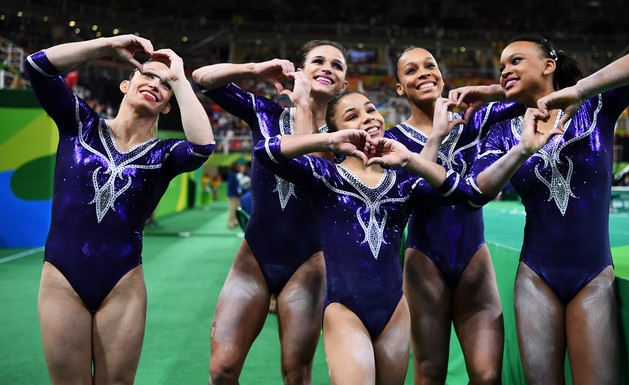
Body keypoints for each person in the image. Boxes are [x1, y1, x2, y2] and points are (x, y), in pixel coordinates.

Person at [454, 35, 629, 385]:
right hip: (535, 278)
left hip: (593, 275)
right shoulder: (503, 133)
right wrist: (522, 148)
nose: (505, 70)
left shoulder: (596, 106)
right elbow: (479, 190)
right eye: (502, 67)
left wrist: (581, 90)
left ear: (548, 65)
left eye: (516, 61)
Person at [253, 89, 489, 385]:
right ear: (337, 132)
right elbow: (265, 151)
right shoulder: (324, 175)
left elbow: (469, 194)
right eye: (352, 116)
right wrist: (325, 141)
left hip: (394, 312)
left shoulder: (403, 183)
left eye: (370, 109)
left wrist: (430, 143)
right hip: (344, 310)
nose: (368, 118)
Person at [25, 35, 215, 385]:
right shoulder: (80, 125)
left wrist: (180, 78)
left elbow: (203, 147)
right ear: (126, 84)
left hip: (122, 284)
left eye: (164, 84)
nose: (155, 84)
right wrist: (108, 45)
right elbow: (37, 66)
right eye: (147, 75)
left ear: (168, 105)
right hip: (62, 279)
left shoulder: (165, 156)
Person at [191, 40, 348, 384]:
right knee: (222, 369)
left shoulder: (343, 138)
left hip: (308, 264)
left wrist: (305, 104)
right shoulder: (265, 113)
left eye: (337, 66)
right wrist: (254, 69)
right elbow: (202, 79)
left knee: (295, 374)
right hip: (254, 259)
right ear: (299, 70)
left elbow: (309, 166)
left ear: (343, 85)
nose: (327, 68)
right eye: (318, 61)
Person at [386, 46, 524, 384]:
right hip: (423, 262)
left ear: (442, 74)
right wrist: (433, 138)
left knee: (487, 374)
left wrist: (491, 90)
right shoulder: (394, 141)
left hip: (473, 258)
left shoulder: (474, 121)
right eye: (412, 70)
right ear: (400, 87)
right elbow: (408, 194)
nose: (424, 74)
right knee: (430, 372)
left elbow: (536, 97)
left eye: (430, 65)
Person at [226, 163, 242, 228]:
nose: (239, 168)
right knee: (232, 209)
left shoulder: (233, 174)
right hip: (234, 195)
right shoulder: (233, 175)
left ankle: (235, 221)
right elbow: (233, 186)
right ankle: (230, 223)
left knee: (236, 209)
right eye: (237, 166)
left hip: (234, 194)